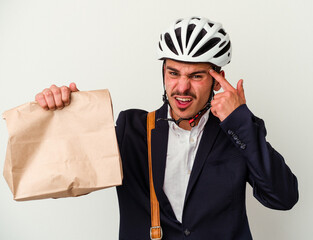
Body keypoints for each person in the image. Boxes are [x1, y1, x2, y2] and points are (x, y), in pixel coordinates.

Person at [35, 17, 298, 240]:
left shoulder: (238, 133)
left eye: (196, 76)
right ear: (163, 73)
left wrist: (240, 120)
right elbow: (65, 179)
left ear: (217, 81)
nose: (182, 88)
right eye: (174, 73)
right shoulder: (131, 129)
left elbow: (283, 198)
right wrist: (67, 116)